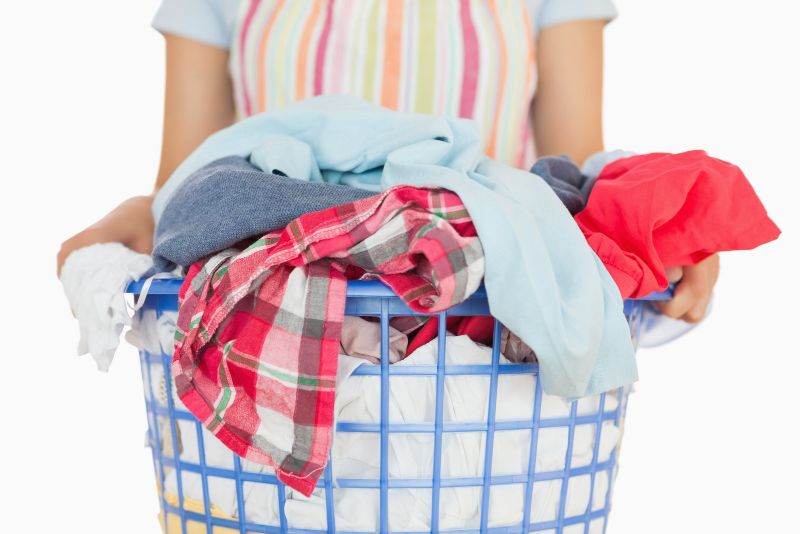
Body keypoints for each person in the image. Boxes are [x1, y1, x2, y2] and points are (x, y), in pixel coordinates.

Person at [56, 0, 718, 322]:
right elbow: (188, 194)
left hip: (487, 343)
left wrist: (656, 225)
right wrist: (132, 221)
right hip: (274, 317)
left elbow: (572, 179)